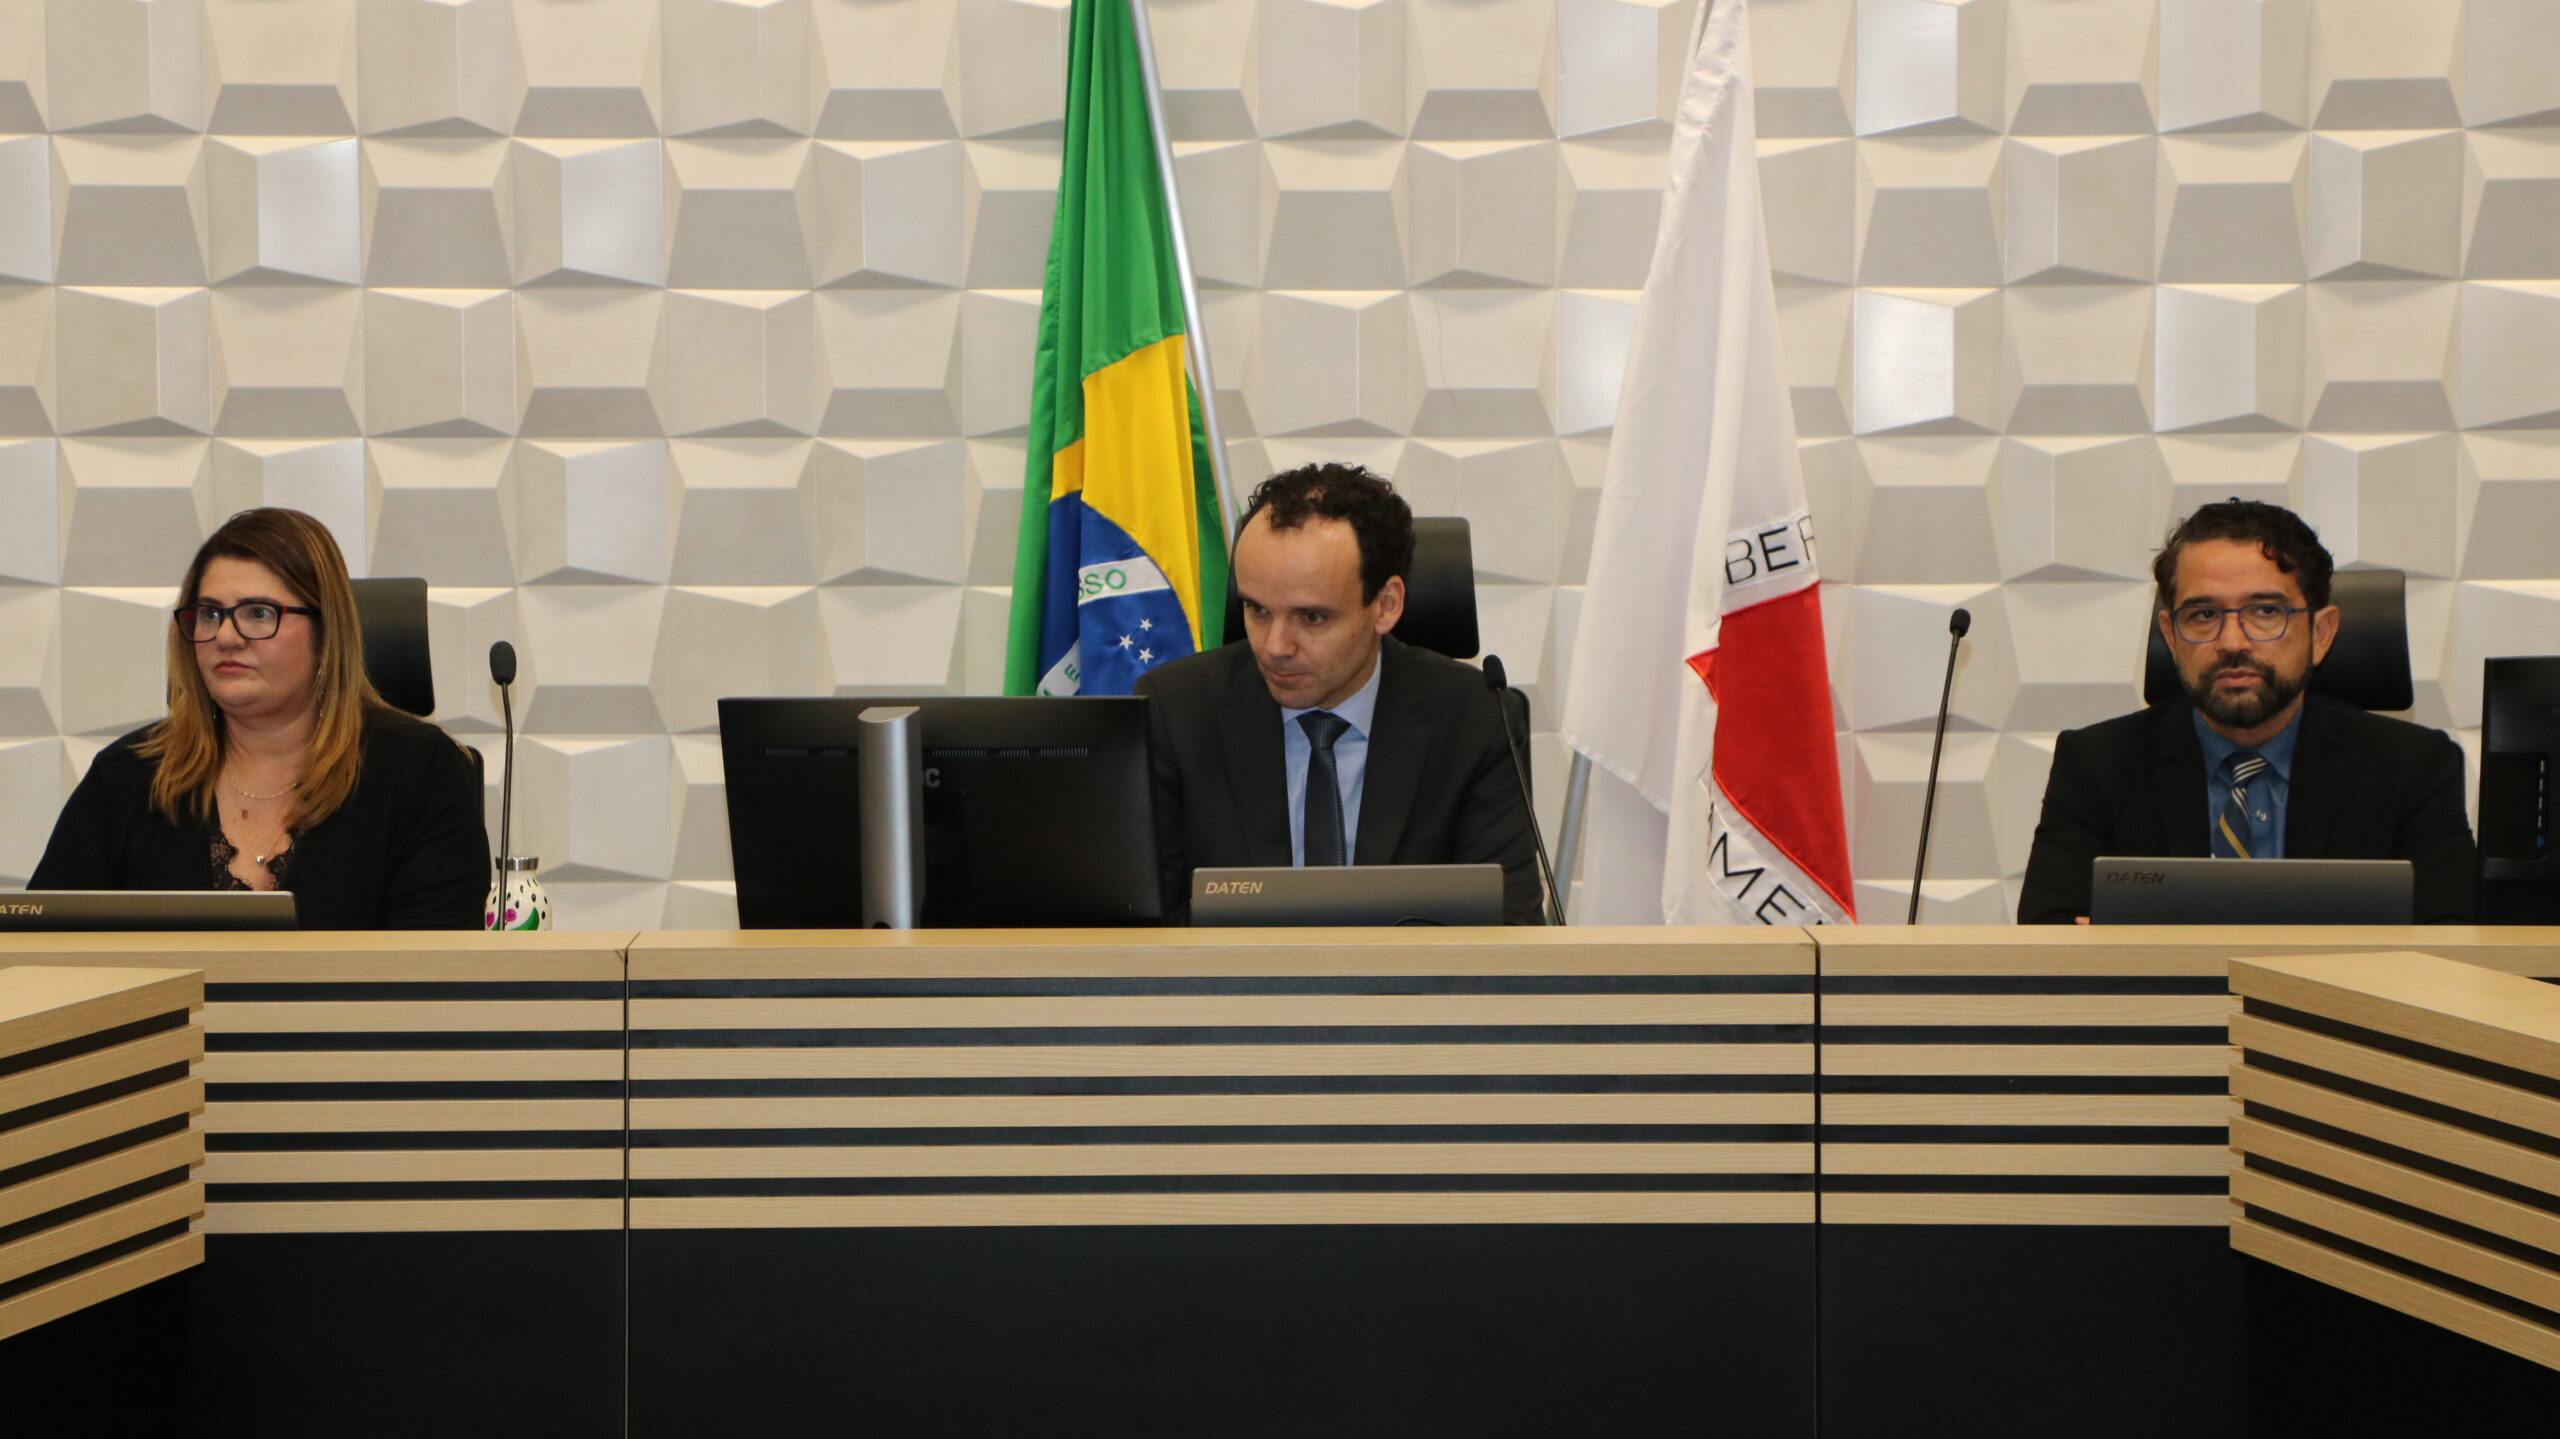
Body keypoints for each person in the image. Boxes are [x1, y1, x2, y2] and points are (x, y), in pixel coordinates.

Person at [2017, 499, 2476, 924]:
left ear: (2321, 633)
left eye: (2264, 612)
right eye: (2202, 616)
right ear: (2171, 636)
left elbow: (2451, 942)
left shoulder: (2414, 767)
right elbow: (2050, 937)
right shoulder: (2096, 764)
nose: (2232, 642)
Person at [30, 508, 491, 929]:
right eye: (209, 613)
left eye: (257, 613)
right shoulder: (128, 777)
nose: (226, 637)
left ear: (326, 631)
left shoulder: (419, 772)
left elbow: (434, 982)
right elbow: (42, 955)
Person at [1134, 463, 1545, 924]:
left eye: (1312, 617)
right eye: (1257, 610)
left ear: (1385, 605)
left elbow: (1509, 929)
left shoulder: (1477, 718)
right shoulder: (1175, 710)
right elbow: (1146, 929)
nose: (1275, 647)